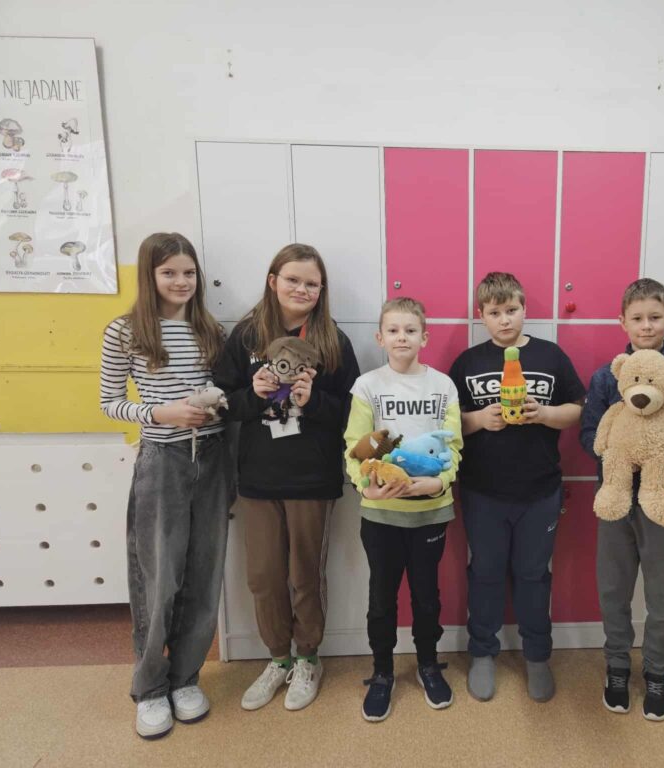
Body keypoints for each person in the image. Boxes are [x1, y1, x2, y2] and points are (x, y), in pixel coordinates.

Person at [214, 243, 359, 712]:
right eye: (293, 279)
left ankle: (308, 658)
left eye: (312, 283)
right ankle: (278, 658)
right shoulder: (246, 337)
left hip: (311, 479)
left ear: (322, 290)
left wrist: (312, 400)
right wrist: (253, 395)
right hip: (258, 479)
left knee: (304, 576)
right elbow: (222, 400)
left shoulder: (333, 341)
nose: (302, 289)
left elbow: (352, 412)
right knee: (263, 577)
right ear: (273, 281)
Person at [100, 232, 230, 739]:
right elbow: (110, 402)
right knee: (158, 579)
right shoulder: (125, 331)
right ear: (149, 275)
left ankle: (185, 678)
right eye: (169, 272)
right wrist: (161, 413)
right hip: (163, 462)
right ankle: (151, 687)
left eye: (189, 272)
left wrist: (215, 404)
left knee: (204, 575)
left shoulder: (210, 329)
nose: (181, 281)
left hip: (213, 461)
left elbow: (224, 391)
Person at [580, 277, 664, 721]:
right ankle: (617, 667)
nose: (646, 326)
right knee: (613, 591)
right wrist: (620, 449)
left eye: (654, 317)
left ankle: (658, 672)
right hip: (615, 500)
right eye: (637, 318)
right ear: (622, 321)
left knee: (662, 597)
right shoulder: (608, 376)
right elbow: (589, 433)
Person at [449, 272, 585, 703]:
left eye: (512, 310)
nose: (504, 319)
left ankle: (537, 655)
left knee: (533, 575)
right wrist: (478, 420)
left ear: (525, 309)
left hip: (539, 491)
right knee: (485, 573)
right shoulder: (468, 362)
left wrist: (544, 414)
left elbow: (578, 409)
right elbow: (448, 422)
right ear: (481, 315)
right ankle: (482, 652)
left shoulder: (550, 355)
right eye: (495, 312)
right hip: (483, 491)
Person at [343, 297, 463, 722]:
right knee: (381, 598)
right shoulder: (368, 386)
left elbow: (453, 446)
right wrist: (367, 486)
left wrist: (440, 482)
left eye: (410, 330)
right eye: (393, 330)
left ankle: (428, 664)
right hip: (381, 515)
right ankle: (382, 672)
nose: (402, 338)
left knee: (427, 597)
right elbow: (356, 446)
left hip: (430, 511)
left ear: (424, 337)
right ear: (380, 338)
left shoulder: (443, 386)